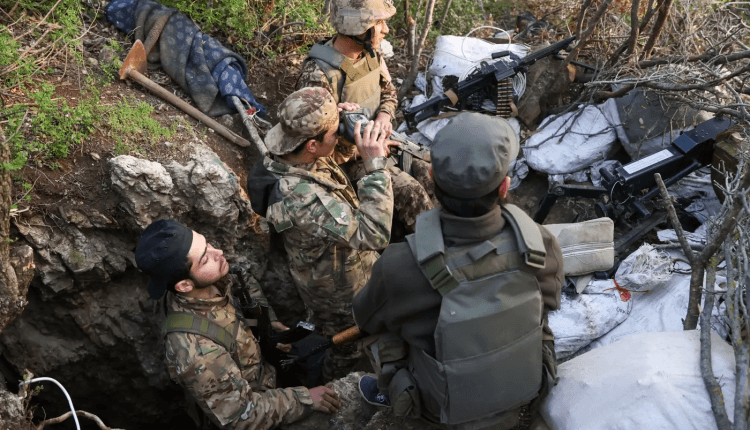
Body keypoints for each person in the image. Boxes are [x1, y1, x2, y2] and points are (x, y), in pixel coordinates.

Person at [352, 112, 564, 430]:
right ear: (505, 186)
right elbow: (549, 302)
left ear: (432, 177)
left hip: (438, 414)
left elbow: (366, 319)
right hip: (517, 391)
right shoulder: (539, 244)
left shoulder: (400, 265)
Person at [246, 87, 394, 382]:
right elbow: (374, 234)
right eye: (333, 133)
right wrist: (375, 166)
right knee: (348, 348)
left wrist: (347, 129)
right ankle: (333, 388)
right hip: (338, 294)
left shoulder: (293, 152)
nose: (337, 134)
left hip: (340, 265)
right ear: (312, 145)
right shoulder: (300, 197)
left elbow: (329, 161)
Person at [134, 219, 341, 430]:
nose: (219, 252)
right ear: (184, 285)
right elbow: (241, 417)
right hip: (254, 406)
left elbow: (243, 282)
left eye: (209, 245)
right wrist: (304, 399)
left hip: (267, 365)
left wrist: (268, 322)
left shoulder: (208, 277)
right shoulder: (197, 352)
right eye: (205, 258)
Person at [295, 0, 433, 236]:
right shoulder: (318, 75)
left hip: (377, 141)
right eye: (379, 23)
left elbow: (388, 92)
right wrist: (367, 149)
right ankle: (430, 251)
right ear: (358, 28)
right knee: (411, 191)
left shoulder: (371, 53)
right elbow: (314, 147)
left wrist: (384, 117)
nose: (386, 30)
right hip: (346, 161)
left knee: (431, 172)